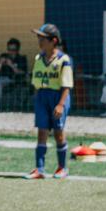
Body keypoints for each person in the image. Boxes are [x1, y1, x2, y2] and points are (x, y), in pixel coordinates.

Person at [27, 24, 73, 179]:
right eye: (38, 37)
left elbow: (66, 85)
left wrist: (60, 104)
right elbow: (36, 81)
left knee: (59, 133)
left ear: (53, 40)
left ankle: (62, 167)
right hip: (42, 96)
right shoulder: (38, 58)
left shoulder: (63, 60)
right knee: (42, 132)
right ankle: (39, 169)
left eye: (43, 38)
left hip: (58, 97)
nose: (39, 41)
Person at [0, 37, 28, 113]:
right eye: (9, 49)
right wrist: (0, 63)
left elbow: (22, 72)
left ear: (17, 50)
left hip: (11, 79)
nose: (11, 52)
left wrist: (11, 65)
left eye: (13, 50)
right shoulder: (3, 55)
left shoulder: (21, 58)